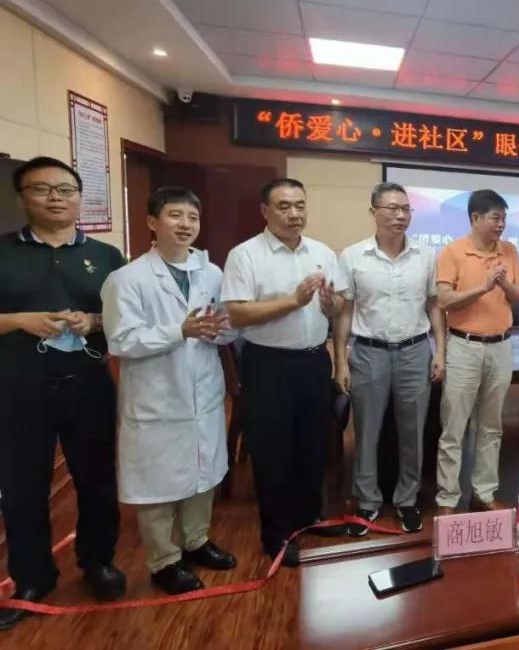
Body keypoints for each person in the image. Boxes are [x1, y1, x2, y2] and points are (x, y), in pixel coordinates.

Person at [0, 157, 127, 630]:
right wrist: (19, 320)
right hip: (18, 388)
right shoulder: (4, 251)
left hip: (88, 382)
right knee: (22, 488)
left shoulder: (107, 256)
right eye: (42, 189)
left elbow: (127, 317)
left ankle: (98, 562)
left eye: (66, 189)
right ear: (22, 198)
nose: (55, 197)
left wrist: (93, 320)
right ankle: (32, 578)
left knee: (97, 479)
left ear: (79, 198)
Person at [101, 188, 237, 595]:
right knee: (157, 483)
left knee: (203, 470)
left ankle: (197, 540)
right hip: (157, 397)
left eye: (192, 217)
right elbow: (121, 340)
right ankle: (163, 560)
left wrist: (219, 331)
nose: (185, 224)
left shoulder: (211, 273)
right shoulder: (127, 279)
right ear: (152, 222)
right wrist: (180, 330)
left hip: (203, 392)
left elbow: (228, 326)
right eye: (175, 215)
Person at [220, 178, 342, 567]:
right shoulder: (245, 255)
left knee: (313, 446)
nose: (294, 214)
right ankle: (276, 534)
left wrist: (330, 303)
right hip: (268, 364)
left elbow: (337, 307)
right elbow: (237, 313)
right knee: (273, 452)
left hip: (313, 361)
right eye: (284, 206)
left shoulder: (321, 252)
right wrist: (293, 301)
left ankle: (309, 518)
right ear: (265, 211)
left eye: (300, 206)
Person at [333, 183, 446, 535]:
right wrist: (340, 361)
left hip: (415, 351)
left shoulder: (426, 255)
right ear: (374, 212)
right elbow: (345, 311)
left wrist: (440, 351)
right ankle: (367, 501)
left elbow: (434, 305)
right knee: (367, 431)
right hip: (369, 352)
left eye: (406, 209)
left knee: (413, 431)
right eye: (392, 208)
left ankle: (407, 500)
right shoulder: (353, 256)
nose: (400, 215)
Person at [435, 190, 519, 515]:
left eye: (504, 218)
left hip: (500, 346)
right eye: (495, 218)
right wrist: (483, 287)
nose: (501, 224)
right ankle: (447, 498)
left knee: (491, 426)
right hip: (464, 346)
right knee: (454, 427)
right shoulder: (453, 251)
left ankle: (484, 493)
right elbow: (444, 300)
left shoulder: (509, 250)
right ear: (475, 218)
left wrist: (504, 285)